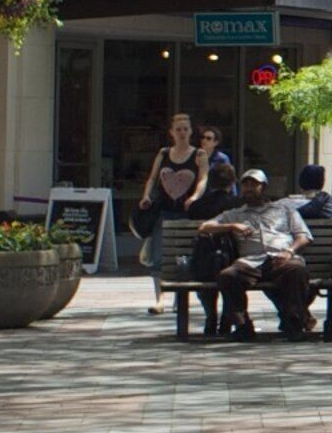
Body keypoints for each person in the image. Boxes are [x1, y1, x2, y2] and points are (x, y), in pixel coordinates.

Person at [194, 167, 320, 336]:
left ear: (264, 187)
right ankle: (242, 324)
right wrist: (232, 226)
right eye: (245, 185)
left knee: (297, 270)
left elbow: (304, 236)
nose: (249, 188)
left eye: (254, 184)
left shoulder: (284, 210)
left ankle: (294, 321)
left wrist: (289, 251)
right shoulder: (235, 214)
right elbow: (204, 228)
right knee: (228, 276)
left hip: (281, 258)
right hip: (251, 261)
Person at [135, 111, 208, 282]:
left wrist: (195, 196)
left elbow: (203, 178)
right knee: (159, 255)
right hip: (164, 210)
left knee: (182, 255)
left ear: (190, 131)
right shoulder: (164, 153)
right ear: (172, 132)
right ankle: (159, 298)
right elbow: (152, 178)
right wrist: (146, 196)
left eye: (185, 129)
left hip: (187, 212)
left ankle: (179, 298)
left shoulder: (199, 154)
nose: (182, 132)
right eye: (178, 129)